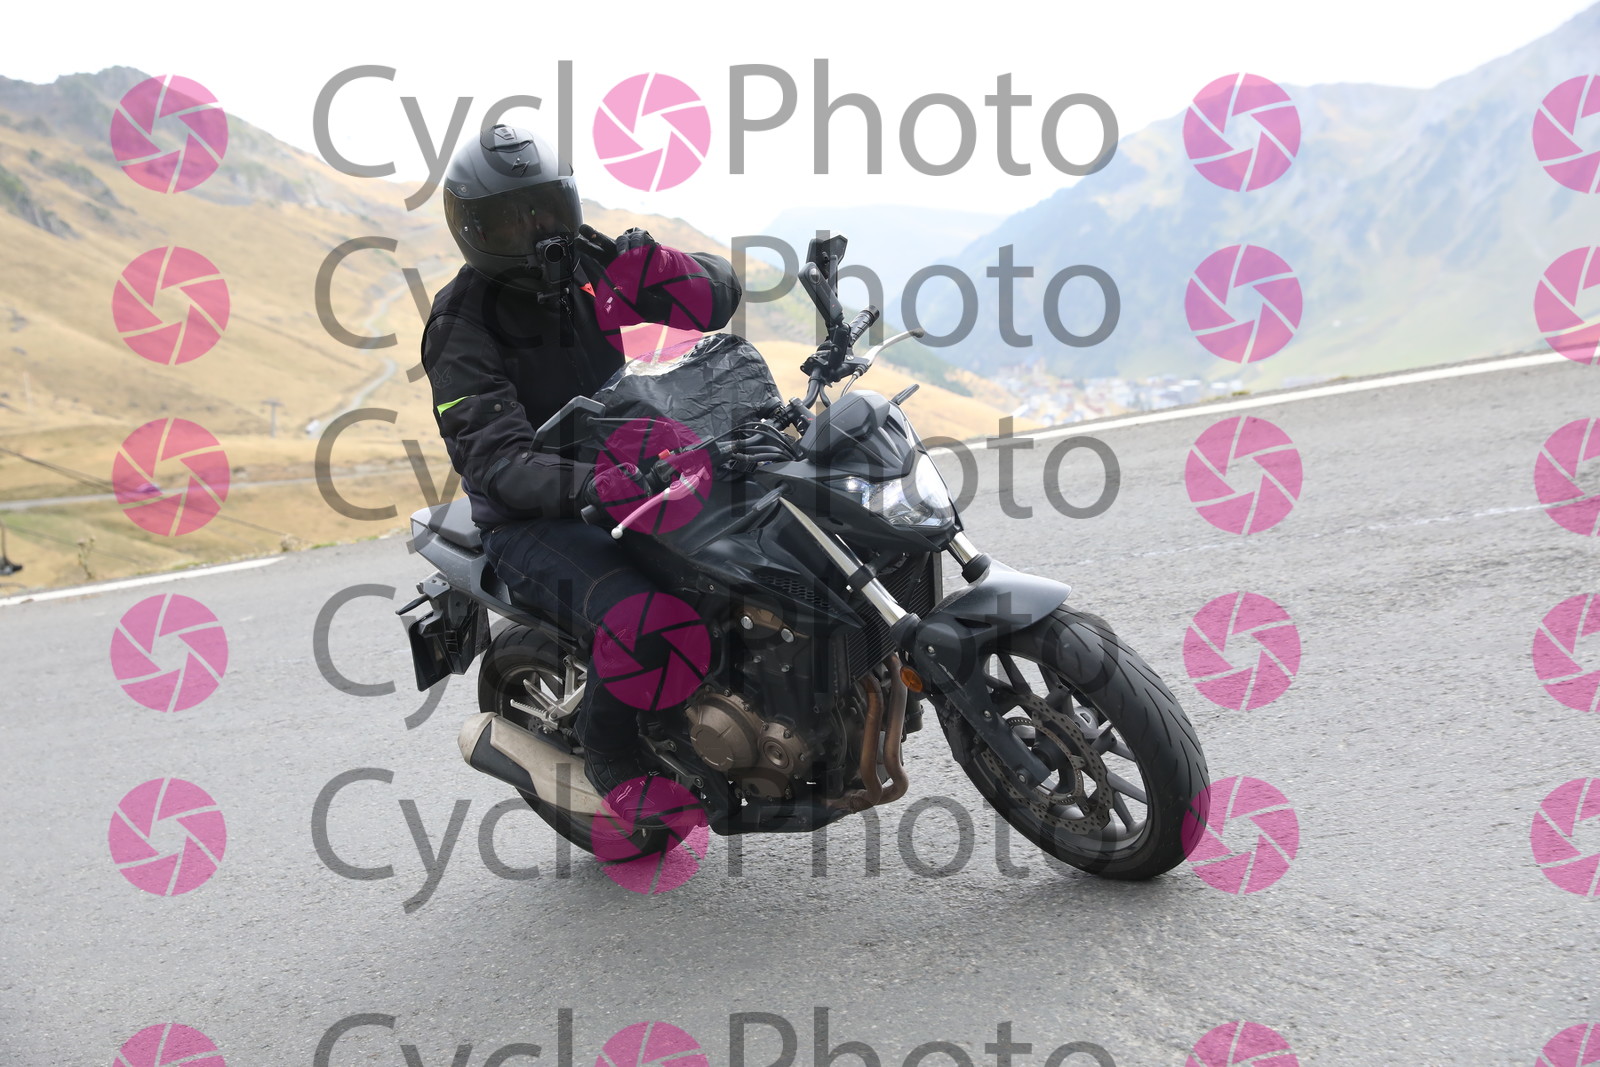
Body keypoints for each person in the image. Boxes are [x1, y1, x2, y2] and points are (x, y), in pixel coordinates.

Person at [420, 124, 741, 799]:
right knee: (648, 623)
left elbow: (716, 300)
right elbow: (497, 460)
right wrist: (593, 483)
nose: (538, 232)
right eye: (512, 220)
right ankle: (611, 763)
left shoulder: (589, 268)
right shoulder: (461, 324)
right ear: (474, 231)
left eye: (546, 209)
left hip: (635, 479)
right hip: (534, 519)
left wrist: (658, 267)